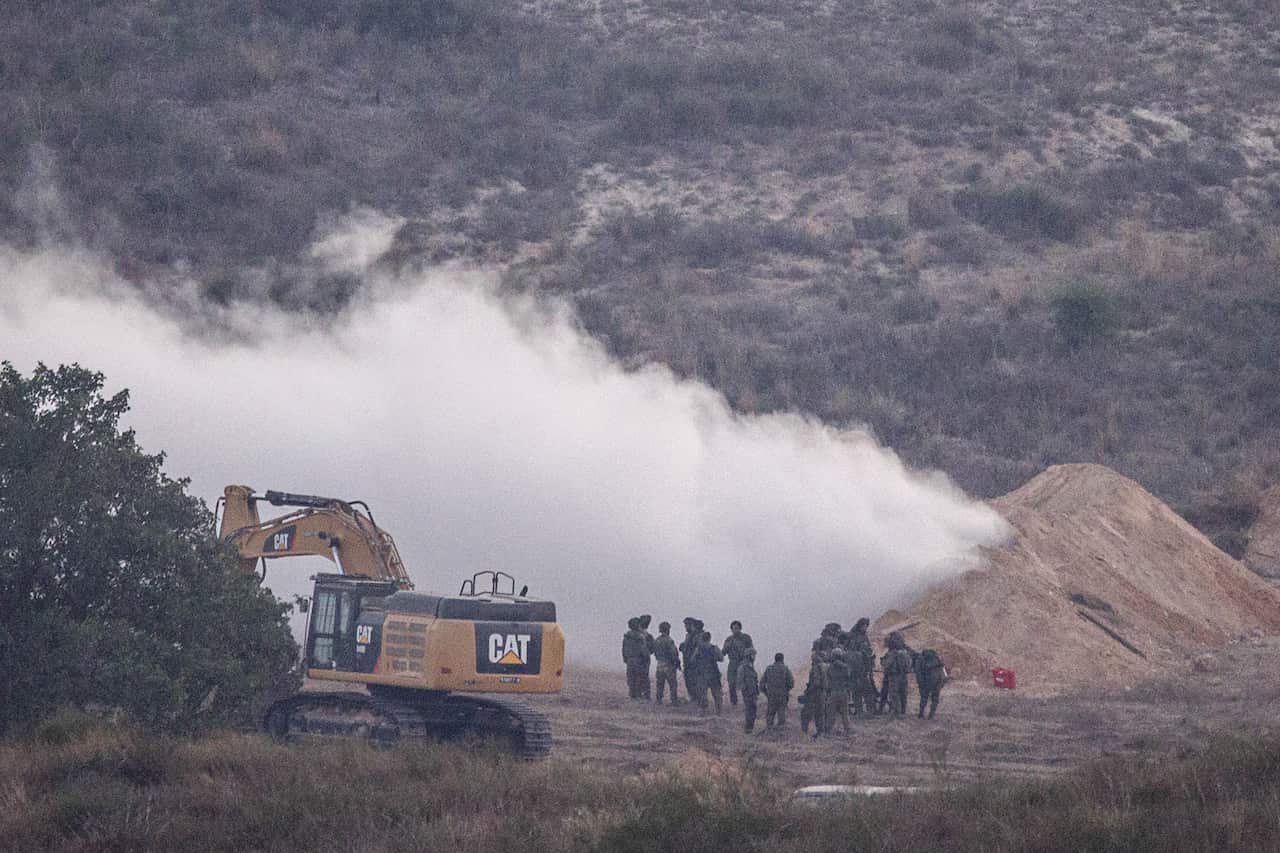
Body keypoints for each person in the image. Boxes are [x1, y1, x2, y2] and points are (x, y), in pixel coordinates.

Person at [849, 617, 879, 715]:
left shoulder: (864, 637)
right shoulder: (853, 636)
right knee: (857, 690)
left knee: (868, 690)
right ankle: (859, 711)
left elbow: (868, 649)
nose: (865, 628)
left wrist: (870, 656)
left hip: (866, 668)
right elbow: (852, 652)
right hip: (856, 668)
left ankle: (871, 710)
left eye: (867, 626)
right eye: (864, 625)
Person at [722, 621, 754, 706]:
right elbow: (723, 652)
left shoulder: (746, 638)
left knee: (745, 683)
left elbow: (752, 651)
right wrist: (727, 646)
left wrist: (750, 662)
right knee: (731, 683)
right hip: (733, 663)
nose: (735, 630)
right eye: (733, 628)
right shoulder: (729, 639)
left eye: (736, 628)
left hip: (743, 663)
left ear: (740, 628)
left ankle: (747, 701)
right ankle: (734, 702)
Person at [799, 645, 829, 738]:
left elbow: (815, 683)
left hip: (815, 693)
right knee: (820, 713)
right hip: (823, 693)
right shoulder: (826, 666)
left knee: (806, 712)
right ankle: (821, 732)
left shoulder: (816, 668)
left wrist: (808, 692)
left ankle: (804, 732)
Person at [880, 634, 913, 717]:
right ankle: (903, 711)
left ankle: (896, 713)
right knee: (903, 694)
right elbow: (909, 664)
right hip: (904, 676)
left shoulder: (891, 653)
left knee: (894, 694)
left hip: (893, 676)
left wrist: (883, 662)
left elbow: (886, 664)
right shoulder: (905, 652)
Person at [760, 652, 794, 728]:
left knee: (770, 714)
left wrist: (766, 693)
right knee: (781, 714)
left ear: (775, 659)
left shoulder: (769, 669)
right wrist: (786, 691)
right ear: (782, 659)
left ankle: (769, 731)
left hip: (771, 696)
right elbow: (791, 683)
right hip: (782, 696)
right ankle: (780, 732)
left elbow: (761, 684)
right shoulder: (785, 668)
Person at [824, 646, 853, 735]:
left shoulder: (830, 667)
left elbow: (828, 681)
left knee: (831, 712)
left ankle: (828, 731)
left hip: (834, 692)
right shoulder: (845, 667)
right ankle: (848, 730)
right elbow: (849, 679)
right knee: (845, 713)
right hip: (843, 692)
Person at [694, 630, 725, 714]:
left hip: (702, 674)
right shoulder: (714, 648)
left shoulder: (699, 649)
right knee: (717, 693)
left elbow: (693, 660)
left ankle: (702, 711)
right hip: (713, 673)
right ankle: (719, 711)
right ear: (709, 638)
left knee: (702, 693)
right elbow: (721, 658)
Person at [652, 621, 682, 705]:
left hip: (659, 664)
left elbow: (655, 652)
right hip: (669, 665)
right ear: (668, 629)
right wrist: (677, 664)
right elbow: (673, 654)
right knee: (672, 684)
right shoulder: (669, 640)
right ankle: (674, 701)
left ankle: (658, 700)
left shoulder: (657, 640)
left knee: (660, 684)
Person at [915, 647, 947, 719]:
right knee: (935, 697)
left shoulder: (919, 659)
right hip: (940, 678)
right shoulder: (937, 657)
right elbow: (944, 670)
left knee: (924, 696)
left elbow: (918, 672)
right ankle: (931, 715)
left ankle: (921, 713)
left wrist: (921, 683)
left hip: (930, 679)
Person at [622, 617, 649, 699]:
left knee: (631, 677)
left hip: (629, 660)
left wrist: (625, 658)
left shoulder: (627, 636)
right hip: (639, 660)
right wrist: (646, 658)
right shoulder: (640, 637)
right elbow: (643, 649)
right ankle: (638, 694)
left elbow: (623, 648)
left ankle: (632, 694)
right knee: (639, 677)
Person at [737, 648, 760, 733]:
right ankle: (748, 728)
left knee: (753, 710)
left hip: (753, 692)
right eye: (753, 655)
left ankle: (750, 727)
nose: (754, 657)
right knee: (749, 710)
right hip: (748, 692)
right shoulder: (743, 667)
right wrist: (745, 690)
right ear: (749, 656)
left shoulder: (750, 666)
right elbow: (740, 680)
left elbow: (754, 680)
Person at [679, 618, 703, 698]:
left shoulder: (699, 635)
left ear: (692, 625)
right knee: (689, 681)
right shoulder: (688, 635)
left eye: (686, 625)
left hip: (695, 663)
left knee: (695, 681)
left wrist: (692, 658)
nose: (685, 627)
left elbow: (698, 648)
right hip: (687, 662)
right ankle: (693, 697)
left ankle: (697, 698)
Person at [637, 615, 656, 700]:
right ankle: (644, 694)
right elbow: (653, 648)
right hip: (644, 658)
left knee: (641, 676)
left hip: (641, 658)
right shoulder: (648, 636)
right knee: (644, 676)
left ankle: (640, 694)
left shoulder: (637, 634)